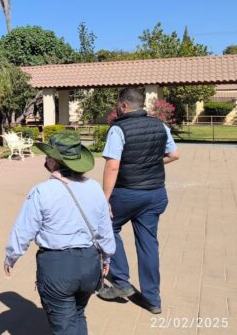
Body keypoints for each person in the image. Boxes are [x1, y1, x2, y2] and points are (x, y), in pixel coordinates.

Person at [4, 131, 115, 335]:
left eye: (47, 157)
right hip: (90, 265)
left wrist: (11, 257)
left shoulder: (42, 191)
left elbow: (23, 230)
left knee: (64, 326)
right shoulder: (95, 188)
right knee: (79, 313)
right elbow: (105, 230)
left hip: (58, 269)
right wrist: (107, 258)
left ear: (54, 162)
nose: (45, 160)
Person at [98, 87, 180, 314]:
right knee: (148, 244)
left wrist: (104, 200)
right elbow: (174, 155)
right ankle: (153, 299)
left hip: (127, 193)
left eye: (117, 104)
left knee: (107, 227)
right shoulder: (160, 125)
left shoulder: (118, 129)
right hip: (155, 194)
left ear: (123, 105)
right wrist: (151, 164)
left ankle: (121, 282)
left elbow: (112, 165)